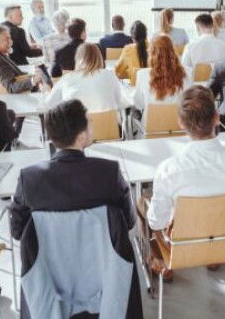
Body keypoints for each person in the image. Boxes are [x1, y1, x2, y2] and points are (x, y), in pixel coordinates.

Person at [10, 99, 142, 318]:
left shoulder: (29, 179)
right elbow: (128, 222)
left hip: (51, 284)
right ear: (81, 137)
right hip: (106, 281)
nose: (93, 123)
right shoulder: (108, 173)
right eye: (89, 121)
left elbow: (17, 231)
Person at [146, 85, 225, 270]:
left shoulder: (168, 170)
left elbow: (156, 222)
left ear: (181, 123)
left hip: (184, 247)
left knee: (143, 203)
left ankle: (161, 264)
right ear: (217, 117)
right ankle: (213, 256)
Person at [45, 43, 127, 114]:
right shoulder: (109, 75)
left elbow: (49, 104)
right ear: (99, 57)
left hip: (77, 127)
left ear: (77, 59)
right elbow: (121, 101)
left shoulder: (67, 78)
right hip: (108, 126)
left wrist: (48, 91)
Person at [133, 35, 190, 122]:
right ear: (172, 51)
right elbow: (189, 102)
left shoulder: (142, 74)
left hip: (150, 128)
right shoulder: (187, 72)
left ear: (151, 53)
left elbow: (138, 104)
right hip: (179, 126)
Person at [0, 25, 42, 94]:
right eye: (6, 39)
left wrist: (33, 75)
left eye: (10, 38)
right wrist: (33, 80)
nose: (10, 42)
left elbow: (16, 75)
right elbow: (11, 87)